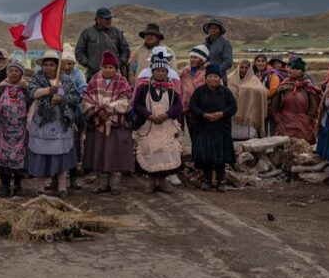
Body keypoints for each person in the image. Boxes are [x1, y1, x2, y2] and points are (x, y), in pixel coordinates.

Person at [26, 50, 82, 196]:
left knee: (61, 151)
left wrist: (61, 99)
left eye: (51, 65)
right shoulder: (36, 78)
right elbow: (31, 92)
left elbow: (75, 97)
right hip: (41, 121)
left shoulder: (66, 79)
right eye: (46, 65)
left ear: (57, 66)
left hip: (61, 121)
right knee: (40, 152)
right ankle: (40, 186)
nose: (48, 68)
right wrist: (48, 91)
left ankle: (62, 186)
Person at [81, 50, 135, 195]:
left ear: (116, 69)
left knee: (116, 154)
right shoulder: (94, 80)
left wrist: (108, 109)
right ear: (101, 67)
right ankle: (103, 184)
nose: (108, 70)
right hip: (99, 123)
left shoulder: (121, 81)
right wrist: (98, 111)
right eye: (105, 67)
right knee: (101, 153)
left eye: (111, 67)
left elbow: (126, 101)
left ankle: (115, 184)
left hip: (116, 124)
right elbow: (86, 100)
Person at [131, 52, 185, 193]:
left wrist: (167, 114)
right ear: (152, 71)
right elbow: (136, 105)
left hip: (166, 126)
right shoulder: (143, 88)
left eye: (162, 70)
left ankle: (162, 182)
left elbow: (179, 106)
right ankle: (151, 181)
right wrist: (149, 115)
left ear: (166, 71)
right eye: (157, 70)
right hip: (149, 126)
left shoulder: (171, 88)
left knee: (165, 153)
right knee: (151, 152)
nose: (160, 73)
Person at [188, 64, 238, 192]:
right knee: (206, 156)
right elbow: (192, 107)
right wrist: (204, 115)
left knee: (220, 157)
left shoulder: (225, 91)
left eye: (215, 76)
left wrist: (221, 114)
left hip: (221, 129)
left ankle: (221, 181)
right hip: (204, 128)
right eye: (210, 76)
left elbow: (233, 107)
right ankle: (207, 180)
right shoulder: (199, 91)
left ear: (219, 78)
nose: (213, 79)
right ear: (205, 78)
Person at [0, 60, 30, 198]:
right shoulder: (1, 87)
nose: (14, 73)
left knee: (19, 158)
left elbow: (32, 103)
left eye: (17, 71)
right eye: (11, 70)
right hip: (3, 128)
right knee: (3, 157)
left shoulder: (26, 88)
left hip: (20, 129)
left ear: (21, 73)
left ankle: (18, 185)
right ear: (7, 72)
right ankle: (5, 185)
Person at [269, 58, 320, 144]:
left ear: (303, 72)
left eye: (297, 69)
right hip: (285, 121)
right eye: (292, 69)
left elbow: (313, 105)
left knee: (303, 145)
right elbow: (275, 104)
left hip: (304, 122)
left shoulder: (308, 87)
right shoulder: (284, 86)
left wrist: (309, 118)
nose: (293, 71)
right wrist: (277, 118)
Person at [60, 44, 88, 189]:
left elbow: (83, 90)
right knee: (57, 148)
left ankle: (73, 179)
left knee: (74, 146)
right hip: (58, 117)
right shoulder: (55, 75)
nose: (67, 66)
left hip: (75, 116)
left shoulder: (78, 75)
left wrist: (71, 97)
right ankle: (55, 179)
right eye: (64, 63)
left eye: (70, 63)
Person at [75, 7, 130, 80]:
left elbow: (125, 50)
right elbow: (79, 51)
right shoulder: (87, 33)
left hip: (114, 76)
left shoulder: (117, 32)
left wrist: (118, 63)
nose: (109, 21)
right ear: (98, 19)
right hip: (93, 76)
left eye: (110, 18)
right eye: (106, 19)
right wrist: (89, 64)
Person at [227, 60, 267, 140]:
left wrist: (246, 89)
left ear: (250, 70)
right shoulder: (230, 78)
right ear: (238, 68)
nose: (243, 70)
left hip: (249, 113)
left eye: (246, 68)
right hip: (233, 112)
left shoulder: (254, 79)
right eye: (241, 67)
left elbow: (261, 91)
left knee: (248, 137)